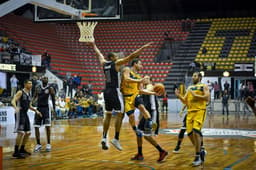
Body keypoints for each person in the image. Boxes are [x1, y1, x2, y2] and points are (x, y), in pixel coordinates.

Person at [89, 41, 153, 151]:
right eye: (116, 55)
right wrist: (142, 48)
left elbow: (99, 54)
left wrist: (93, 45)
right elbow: (131, 56)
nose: (118, 56)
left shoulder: (104, 63)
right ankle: (116, 138)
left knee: (108, 115)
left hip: (106, 91)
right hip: (115, 91)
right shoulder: (116, 63)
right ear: (113, 58)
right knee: (121, 114)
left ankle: (104, 138)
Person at [175, 72, 209, 166]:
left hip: (200, 111)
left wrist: (196, 95)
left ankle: (197, 156)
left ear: (200, 77)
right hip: (190, 112)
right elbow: (185, 101)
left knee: (196, 132)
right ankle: (200, 150)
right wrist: (179, 96)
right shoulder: (189, 88)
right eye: (193, 76)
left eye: (195, 76)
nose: (193, 77)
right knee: (190, 134)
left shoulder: (203, 86)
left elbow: (207, 98)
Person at [130, 76, 168, 162]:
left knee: (147, 136)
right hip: (146, 114)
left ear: (150, 81)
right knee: (139, 133)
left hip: (152, 113)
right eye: (144, 78)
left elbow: (142, 91)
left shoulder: (150, 86)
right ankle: (140, 154)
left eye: (146, 78)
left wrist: (139, 85)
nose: (144, 79)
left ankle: (162, 151)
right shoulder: (144, 88)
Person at [11, 80, 42, 158]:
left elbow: (29, 106)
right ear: (25, 84)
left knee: (28, 133)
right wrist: (16, 107)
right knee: (21, 132)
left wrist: (36, 110)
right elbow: (13, 101)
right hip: (19, 113)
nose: (31, 84)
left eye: (31, 83)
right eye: (29, 83)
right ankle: (16, 151)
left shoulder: (29, 94)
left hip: (25, 113)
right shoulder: (20, 92)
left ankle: (22, 149)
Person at [33, 76, 56, 152]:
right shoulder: (38, 88)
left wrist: (54, 109)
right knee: (36, 126)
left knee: (48, 127)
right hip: (38, 108)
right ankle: (38, 144)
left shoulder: (50, 88)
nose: (45, 79)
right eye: (44, 78)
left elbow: (53, 98)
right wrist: (30, 103)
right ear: (41, 79)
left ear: (48, 80)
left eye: (46, 78)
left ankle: (48, 144)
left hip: (46, 109)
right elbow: (34, 97)